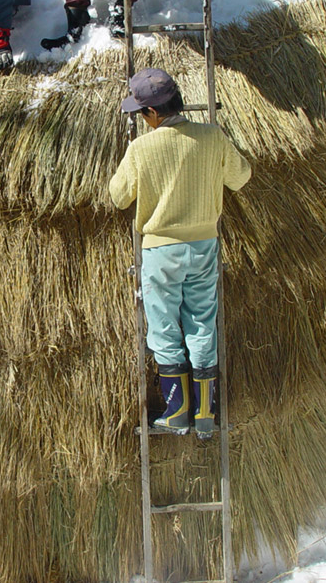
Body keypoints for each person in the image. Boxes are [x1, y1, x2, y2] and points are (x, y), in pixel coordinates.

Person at [108, 68, 250, 439]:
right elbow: (241, 177)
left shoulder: (142, 148)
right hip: (204, 245)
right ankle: (205, 411)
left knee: (165, 327)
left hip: (161, 251)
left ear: (153, 114)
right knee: (203, 322)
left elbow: (118, 195)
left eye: (142, 114)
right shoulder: (212, 136)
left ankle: (177, 410)